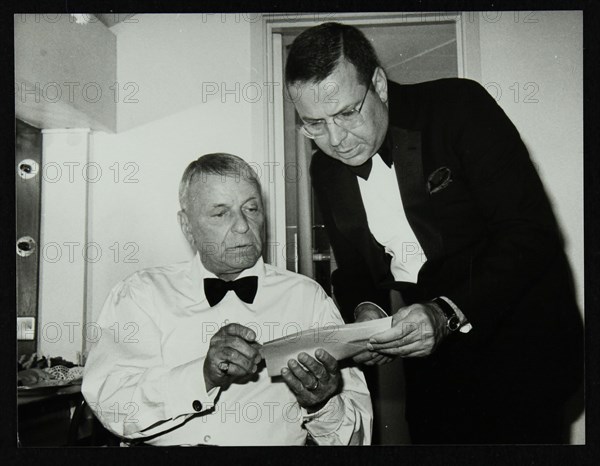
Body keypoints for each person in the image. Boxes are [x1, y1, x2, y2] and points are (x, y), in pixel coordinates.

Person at [284, 22, 583, 444]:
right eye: (313, 123)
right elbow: (352, 268)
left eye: (346, 113)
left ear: (380, 87)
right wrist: (365, 312)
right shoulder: (325, 169)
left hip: (520, 349)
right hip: (431, 367)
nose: (335, 139)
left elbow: (528, 233)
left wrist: (445, 313)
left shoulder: (459, 107)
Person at [81, 153, 372, 446]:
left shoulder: (307, 298)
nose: (244, 226)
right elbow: (112, 404)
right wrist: (202, 376)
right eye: (221, 213)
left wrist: (321, 405)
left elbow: (357, 440)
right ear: (187, 226)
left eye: (252, 208)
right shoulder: (140, 294)